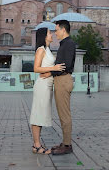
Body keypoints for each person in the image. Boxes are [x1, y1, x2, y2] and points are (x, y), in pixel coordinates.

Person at [40, 20, 75, 155]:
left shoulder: (69, 44)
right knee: (62, 113)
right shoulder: (64, 44)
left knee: (64, 114)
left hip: (63, 80)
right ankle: (65, 142)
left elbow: (64, 66)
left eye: (56, 30)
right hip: (60, 80)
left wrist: (49, 72)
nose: (55, 33)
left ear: (63, 30)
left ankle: (67, 145)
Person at [29, 27, 66, 155]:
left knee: (41, 115)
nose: (52, 35)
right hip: (42, 86)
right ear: (44, 36)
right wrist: (53, 68)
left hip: (48, 84)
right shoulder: (41, 49)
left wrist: (50, 72)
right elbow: (36, 68)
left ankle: (36, 144)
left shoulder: (48, 49)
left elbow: (46, 70)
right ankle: (37, 145)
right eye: (50, 33)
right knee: (37, 115)